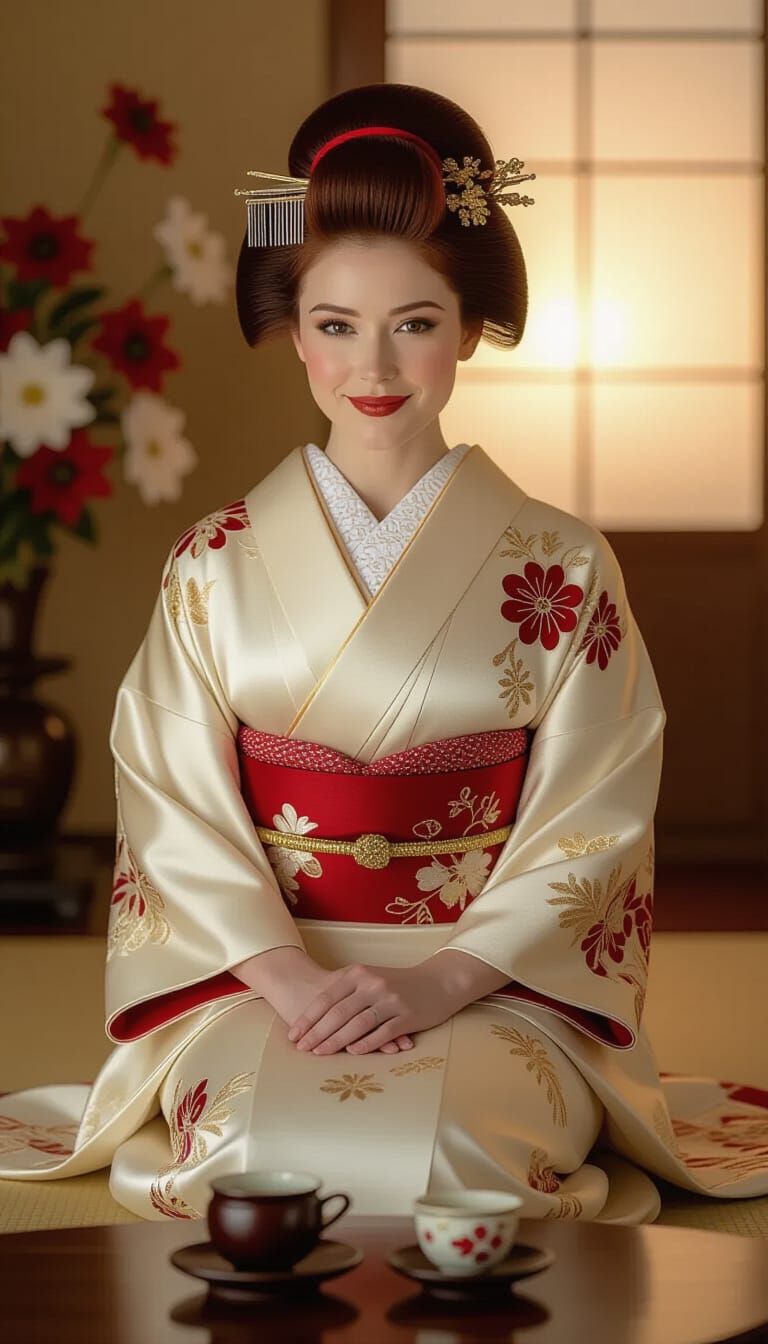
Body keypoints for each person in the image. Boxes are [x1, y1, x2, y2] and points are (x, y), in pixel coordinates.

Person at [1, 82, 766, 1223]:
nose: (375, 367)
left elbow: (595, 814)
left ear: (467, 329)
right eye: (335, 324)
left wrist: (440, 981)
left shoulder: (562, 562)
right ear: (291, 328)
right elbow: (171, 805)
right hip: (264, 980)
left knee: (460, 1161)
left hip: (495, 984)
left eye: (415, 323)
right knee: (257, 1159)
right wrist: (295, 981)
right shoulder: (214, 561)